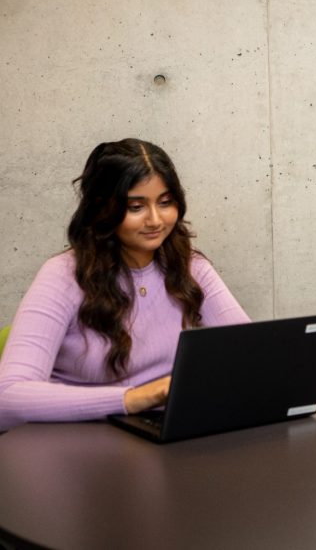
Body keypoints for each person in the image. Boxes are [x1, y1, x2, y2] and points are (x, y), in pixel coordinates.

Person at [0, 139, 250, 430]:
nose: (155, 220)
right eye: (136, 206)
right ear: (102, 208)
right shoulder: (63, 276)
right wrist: (134, 398)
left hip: (159, 435)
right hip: (78, 444)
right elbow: (7, 397)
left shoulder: (191, 267)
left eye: (165, 202)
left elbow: (250, 355)